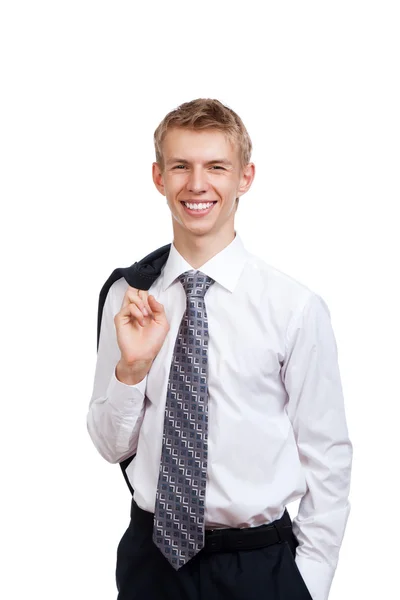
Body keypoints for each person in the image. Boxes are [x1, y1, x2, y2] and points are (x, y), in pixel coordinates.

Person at [87, 98, 353, 600]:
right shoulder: (128, 298)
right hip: (152, 564)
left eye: (216, 166)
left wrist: (309, 581)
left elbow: (328, 455)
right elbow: (109, 446)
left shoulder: (293, 307)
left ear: (245, 178)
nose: (197, 184)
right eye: (181, 166)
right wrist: (133, 367)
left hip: (260, 567)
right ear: (158, 177)